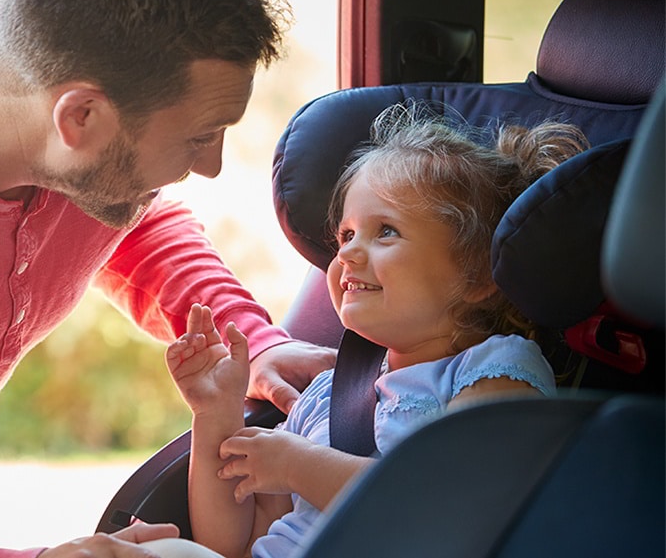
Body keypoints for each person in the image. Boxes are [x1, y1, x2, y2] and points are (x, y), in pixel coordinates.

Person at [0, 0, 337, 557]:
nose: (210, 166)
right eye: (200, 137)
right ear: (79, 117)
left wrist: (253, 340)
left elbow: (136, 222)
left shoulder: (69, 132)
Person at [161, 103, 588, 558]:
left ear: (478, 274)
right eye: (346, 235)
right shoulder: (324, 397)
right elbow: (230, 543)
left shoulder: (496, 370)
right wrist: (214, 416)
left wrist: (299, 466)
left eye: (385, 231)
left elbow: (443, 512)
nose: (347, 254)